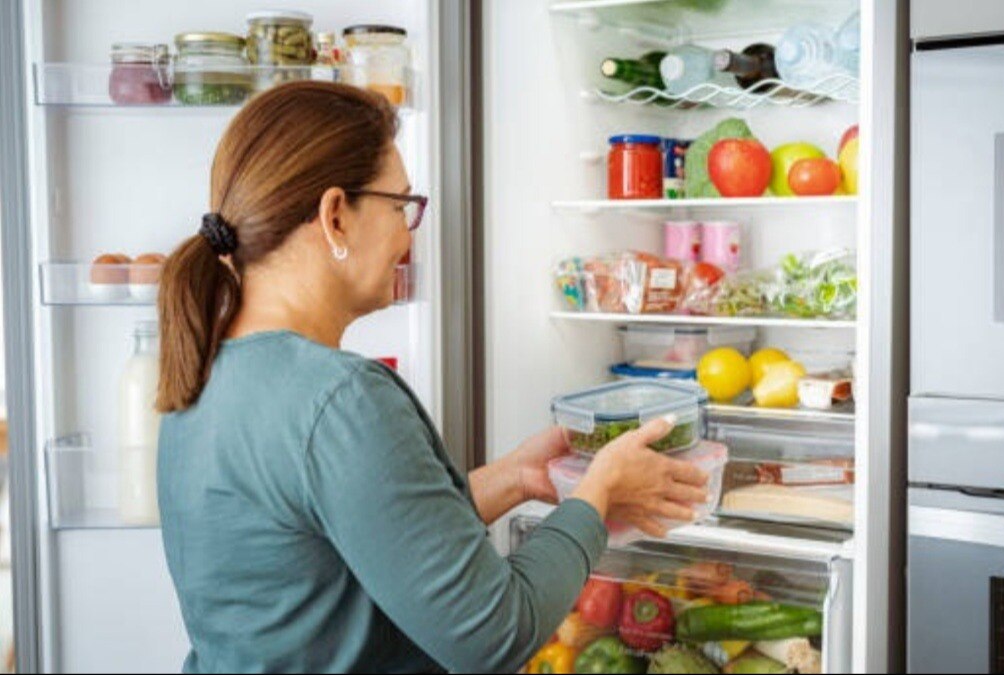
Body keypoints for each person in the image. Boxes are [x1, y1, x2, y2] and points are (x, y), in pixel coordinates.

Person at [153, 81, 709, 674]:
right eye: (400, 206)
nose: (406, 234)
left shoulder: (205, 370)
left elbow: (369, 551)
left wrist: (515, 479)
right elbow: (495, 633)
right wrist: (598, 497)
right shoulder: (340, 400)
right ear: (336, 216)